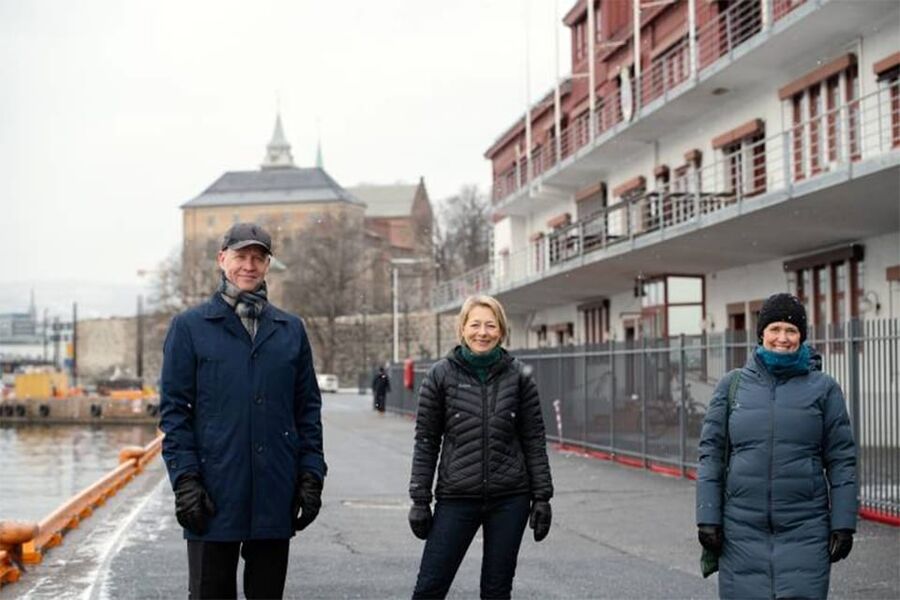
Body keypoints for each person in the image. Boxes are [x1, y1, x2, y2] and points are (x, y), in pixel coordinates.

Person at [159, 222, 326, 599]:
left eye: (258, 258)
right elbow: (175, 412)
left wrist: (311, 473)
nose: (248, 266)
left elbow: (307, 411)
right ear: (222, 260)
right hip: (213, 492)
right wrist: (185, 481)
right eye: (240, 256)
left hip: (274, 491)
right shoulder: (190, 327)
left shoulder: (290, 330)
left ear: (268, 265)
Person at [696, 293, 857, 599]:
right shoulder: (732, 386)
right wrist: (707, 517)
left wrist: (844, 523)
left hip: (805, 530)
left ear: (802, 337)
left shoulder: (824, 389)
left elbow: (842, 460)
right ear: (761, 334)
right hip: (740, 530)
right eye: (775, 329)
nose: (782, 338)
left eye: (791, 330)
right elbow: (711, 456)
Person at [408, 295, 553, 599]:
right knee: (430, 587)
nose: (482, 332)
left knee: (497, 590)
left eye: (490, 325)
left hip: (510, 498)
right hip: (457, 496)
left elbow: (533, 439)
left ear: (501, 331)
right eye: (475, 324)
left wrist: (542, 497)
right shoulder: (440, 375)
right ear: (462, 329)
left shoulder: (518, 377)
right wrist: (420, 499)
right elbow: (426, 441)